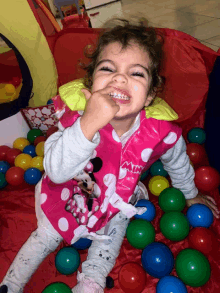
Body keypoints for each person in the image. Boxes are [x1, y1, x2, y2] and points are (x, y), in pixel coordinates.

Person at [0, 18, 219, 293]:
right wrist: (87, 125)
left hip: (115, 198)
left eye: (136, 73)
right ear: (91, 85)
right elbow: (55, 169)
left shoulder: (159, 133)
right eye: (107, 69)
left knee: (111, 236)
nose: (120, 78)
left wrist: (189, 193)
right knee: (45, 234)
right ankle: (10, 284)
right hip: (71, 192)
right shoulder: (78, 118)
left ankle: (92, 281)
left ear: (150, 95)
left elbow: (177, 160)